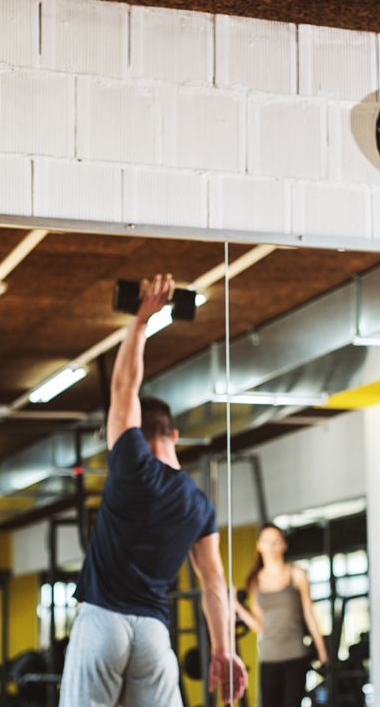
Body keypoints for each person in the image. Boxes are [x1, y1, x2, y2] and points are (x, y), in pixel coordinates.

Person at [60, 274, 247, 707]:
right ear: (175, 435)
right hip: (152, 634)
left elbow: (124, 387)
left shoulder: (131, 461)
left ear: (137, 434)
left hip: (102, 621)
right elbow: (215, 584)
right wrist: (223, 649)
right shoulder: (200, 506)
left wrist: (141, 322)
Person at [234, 524, 328, 707]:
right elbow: (260, 626)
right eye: (267, 542)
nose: (271, 547)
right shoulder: (255, 581)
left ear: (284, 545)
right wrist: (237, 607)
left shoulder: (297, 575)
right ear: (259, 546)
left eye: (276, 542)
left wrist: (322, 651)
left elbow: (309, 615)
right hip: (269, 657)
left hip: (295, 655)